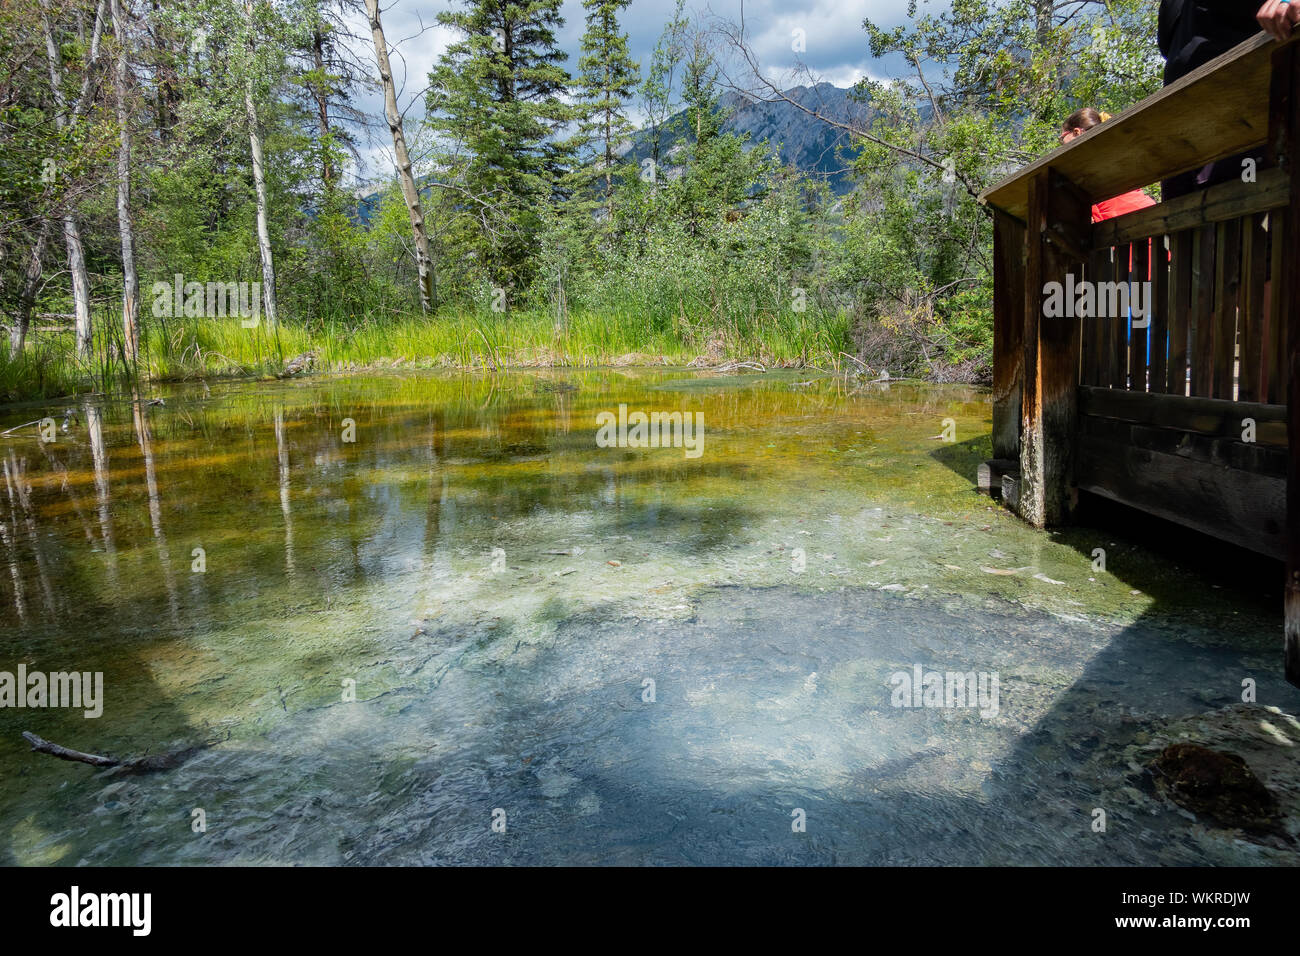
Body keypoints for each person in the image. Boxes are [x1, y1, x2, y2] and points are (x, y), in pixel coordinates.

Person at [1060, 109, 1157, 222]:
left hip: (1132, 228)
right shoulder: (1112, 155)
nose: (1061, 145)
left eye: (1062, 138)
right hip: (1149, 219)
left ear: (1077, 132)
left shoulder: (1085, 166)